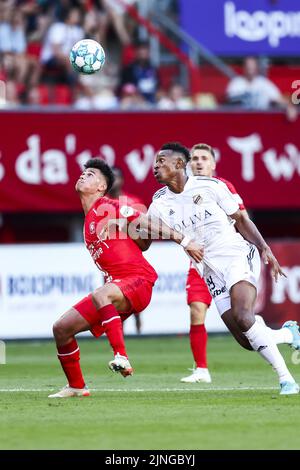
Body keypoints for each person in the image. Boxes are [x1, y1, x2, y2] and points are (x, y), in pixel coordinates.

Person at [143, 142, 300, 395]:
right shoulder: (159, 202)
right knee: (247, 340)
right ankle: (287, 335)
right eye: (156, 162)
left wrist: (263, 247)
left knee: (244, 315)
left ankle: (287, 380)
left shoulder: (212, 186)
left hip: (237, 254)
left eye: (162, 161)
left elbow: (240, 219)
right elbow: (146, 227)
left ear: (180, 164)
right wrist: (177, 238)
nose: (156, 166)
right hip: (209, 269)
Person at [49, 158, 203, 398]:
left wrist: (183, 240)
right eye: (83, 172)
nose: (83, 176)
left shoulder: (108, 206)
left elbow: (146, 223)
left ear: (101, 186)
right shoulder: (90, 218)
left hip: (139, 280)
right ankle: (76, 386)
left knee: (102, 293)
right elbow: (142, 241)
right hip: (119, 286)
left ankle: (121, 355)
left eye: (90, 174)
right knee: (61, 328)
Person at [181, 143, 248, 384]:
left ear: (213, 164)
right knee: (196, 309)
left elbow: (241, 217)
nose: (198, 162)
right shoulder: (181, 191)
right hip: (199, 264)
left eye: (204, 158)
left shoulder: (222, 186)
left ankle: (280, 338)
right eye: (195, 159)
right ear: (188, 164)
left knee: (244, 325)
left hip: (228, 261)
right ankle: (201, 370)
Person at [107, 166, 146, 334]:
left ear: (122, 180)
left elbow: (144, 229)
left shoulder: (133, 202)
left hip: (131, 256)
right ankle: (118, 338)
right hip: (111, 259)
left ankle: (139, 334)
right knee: (112, 302)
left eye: (117, 177)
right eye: (111, 177)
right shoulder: (101, 203)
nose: (114, 180)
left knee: (134, 301)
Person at [226, 56, 297, 121]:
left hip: (262, 121)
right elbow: (228, 105)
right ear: (244, 68)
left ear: (256, 68)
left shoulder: (263, 83)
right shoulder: (236, 83)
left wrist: (289, 107)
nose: (250, 70)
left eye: (252, 67)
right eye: (248, 67)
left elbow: (278, 98)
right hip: (240, 121)